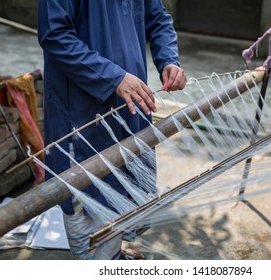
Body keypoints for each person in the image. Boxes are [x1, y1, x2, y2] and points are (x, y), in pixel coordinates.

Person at [37, 0, 187, 259]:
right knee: (86, 201)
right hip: (82, 114)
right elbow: (55, 36)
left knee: (124, 191)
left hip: (129, 107)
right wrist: (113, 77)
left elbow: (158, 18)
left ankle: (113, 257)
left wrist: (169, 60)